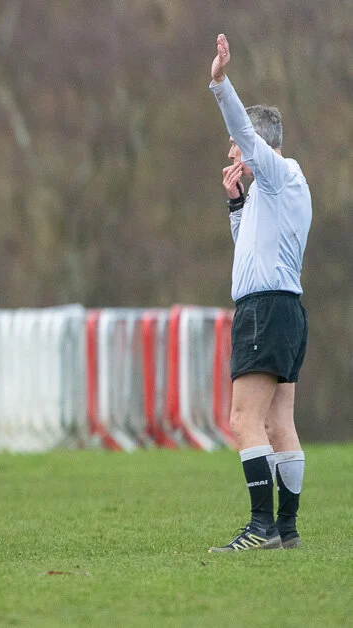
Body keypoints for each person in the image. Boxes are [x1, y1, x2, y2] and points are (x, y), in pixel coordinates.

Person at [207, 35, 311, 553]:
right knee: (277, 421)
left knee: (243, 419)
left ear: (259, 148)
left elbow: (246, 134)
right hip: (286, 309)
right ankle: (286, 530)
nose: (234, 153)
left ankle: (261, 527)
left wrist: (220, 82)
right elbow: (249, 250)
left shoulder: (276, 171)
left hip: (264, 311)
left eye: (237, 148)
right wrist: (236, 204)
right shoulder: (276, 190)